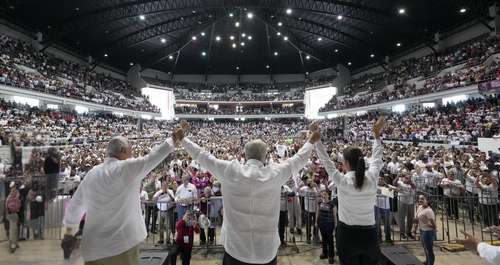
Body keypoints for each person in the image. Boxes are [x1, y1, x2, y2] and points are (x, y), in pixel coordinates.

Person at [174, 120, 320, 265]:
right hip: (266, 251)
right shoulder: (275, 173)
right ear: (265, 157)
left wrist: (183, 139)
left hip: (235, 250)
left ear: (245, 154)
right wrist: (311, 141)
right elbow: (298, 160)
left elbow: (203, 156)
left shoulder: (230, 170)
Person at [62, 135, 177, 265]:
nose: (132, 153)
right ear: (122, 150)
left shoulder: (92, 173)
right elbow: (153, 157)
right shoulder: (127, 167)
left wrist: (69, 233)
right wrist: (173, 140)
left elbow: (74, 207)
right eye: (130, 149)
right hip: (120, 246)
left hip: (92, 248)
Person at [315, 116, 385, 265]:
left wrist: (316, 139)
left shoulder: (342, 180)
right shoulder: (372, 178)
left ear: (345, 163)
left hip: (347, 235)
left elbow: (326, 161)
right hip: (369, 234)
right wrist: (376, 134)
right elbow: (377, 157)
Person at [412, 195, 436, 265]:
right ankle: (427, 261)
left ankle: (430, 263)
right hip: (422, 231)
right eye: (419, 199)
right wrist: (414, 230)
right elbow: (416, 220)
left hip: (428, 232)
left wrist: (427, 223)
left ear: (427, 201)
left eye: (422, 199)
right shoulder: (419, 207)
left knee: (429, 250)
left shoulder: (429, 211)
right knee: (425, 248)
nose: (420, 200)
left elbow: (434, 226)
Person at [394, 170, 416, 239]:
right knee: (401, 217)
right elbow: (394, 183)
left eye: (408, 178)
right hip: (401, 201)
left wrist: (410, 182)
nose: (407, 179)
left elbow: (414, 187)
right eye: (406, 178)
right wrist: (398, 176)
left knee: (410, 217)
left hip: (410, 202)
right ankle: (402, 232)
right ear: (403, 178)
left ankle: (408, 232)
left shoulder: (412, 183)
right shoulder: (400, 182)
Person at [316, 190, 336, 264]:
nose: (323, 196)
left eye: (325, 194)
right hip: (322, 223)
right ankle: (324, 253)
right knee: (324, 239)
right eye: (323, 194)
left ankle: (331, 256)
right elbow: (317, 212)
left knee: (330, 240)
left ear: (328, 195)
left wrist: (335, 226)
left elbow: (334, 216)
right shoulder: (320, 203)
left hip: (329, 224)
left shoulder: (332, 204)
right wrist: (316, 222)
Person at [375, 175, 392, 243]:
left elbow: (395, 191)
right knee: (377, 223)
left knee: (387, 223)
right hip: (377, 206)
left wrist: (388, 186)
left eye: (381, 179)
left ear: (384, 180)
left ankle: (388, 238)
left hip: (386, 207)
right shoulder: (374, 187)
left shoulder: (388, 186)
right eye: (378, 179)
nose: (380, 180)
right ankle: (379, 238)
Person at [5, 186, 21, 253]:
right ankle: (12, 245)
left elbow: (18, 207)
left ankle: (15, 243)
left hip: (14, 215)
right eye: (14, 191)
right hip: (12, 215)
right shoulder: (10, 198)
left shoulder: (14, 198)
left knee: (15, 230)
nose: (16, 193)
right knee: (13, 230)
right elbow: (9, 208)